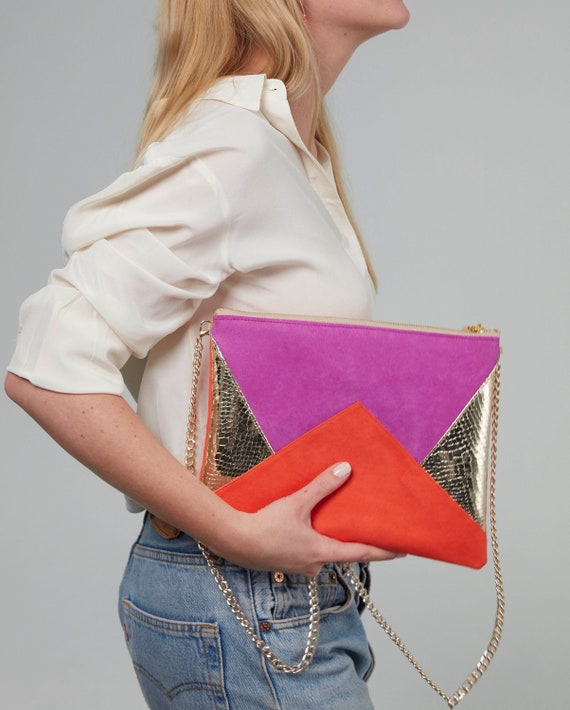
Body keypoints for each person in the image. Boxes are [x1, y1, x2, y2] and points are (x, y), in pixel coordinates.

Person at [5, 1, 410, 707]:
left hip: (282, 602)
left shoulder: (291, 151)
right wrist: (237, 534)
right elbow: (48, 360)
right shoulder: (236, 147)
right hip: (242, 595)